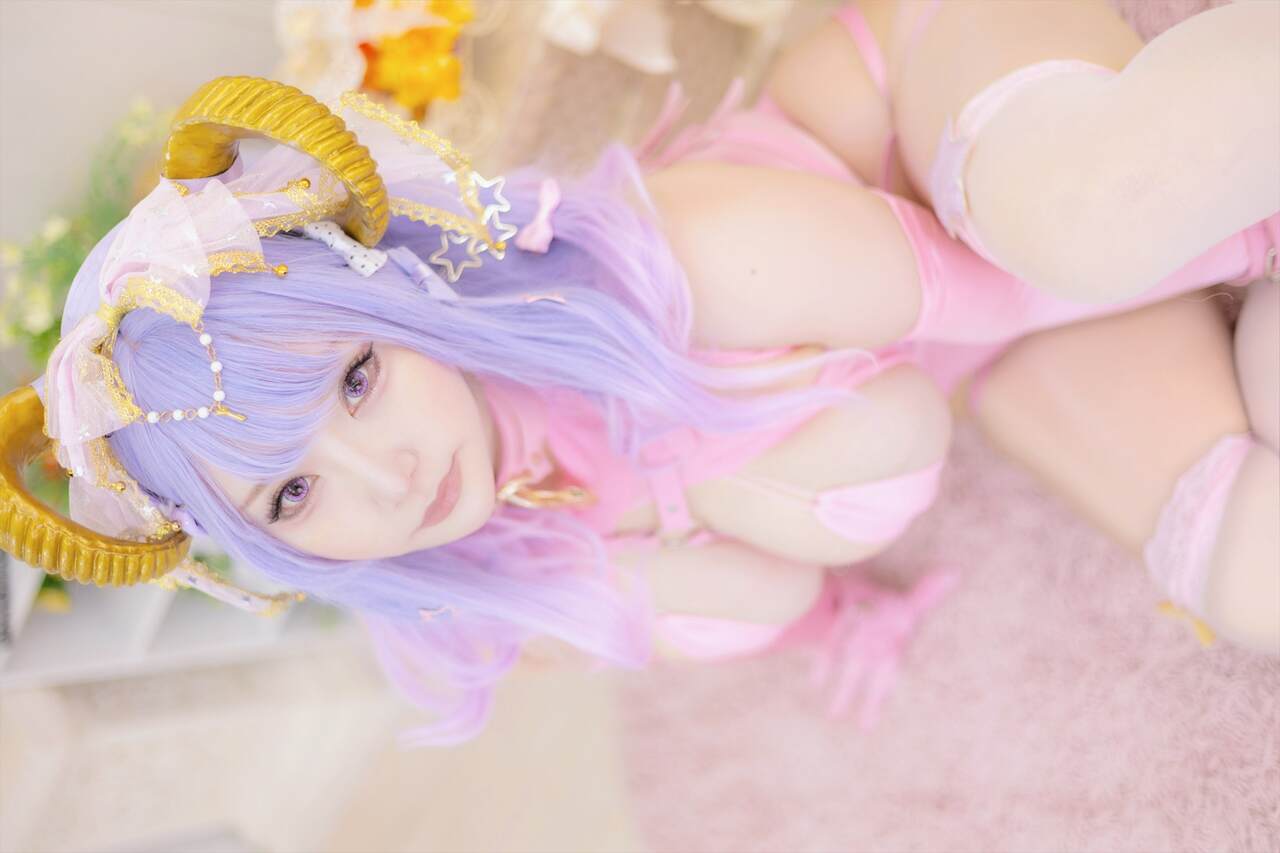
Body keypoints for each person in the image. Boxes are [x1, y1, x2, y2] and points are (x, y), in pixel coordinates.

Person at [0, 2, 1274, 744]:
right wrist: (619, 570)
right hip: (1001, 357)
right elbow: (773, 584)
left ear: (396, 293)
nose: (384, 479)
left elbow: (969, 278)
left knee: (1086, 216)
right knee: (1253, 581)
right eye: (290, 494)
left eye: (355, 381)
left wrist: (1237, 245)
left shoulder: (668, 262)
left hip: (942, 156)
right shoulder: (490, 572)